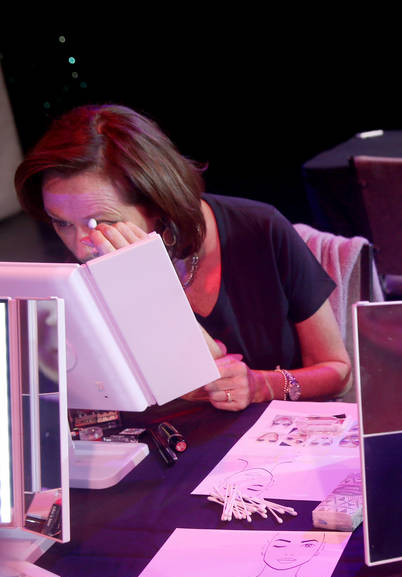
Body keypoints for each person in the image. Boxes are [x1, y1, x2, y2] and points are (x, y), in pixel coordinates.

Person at [14, 105, 351, 411]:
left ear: (157, 204)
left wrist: (263, 384)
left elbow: (339, 373)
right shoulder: (86, 271)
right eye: (61, 223)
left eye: (101, 222)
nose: (82, 246)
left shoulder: (260, 229)